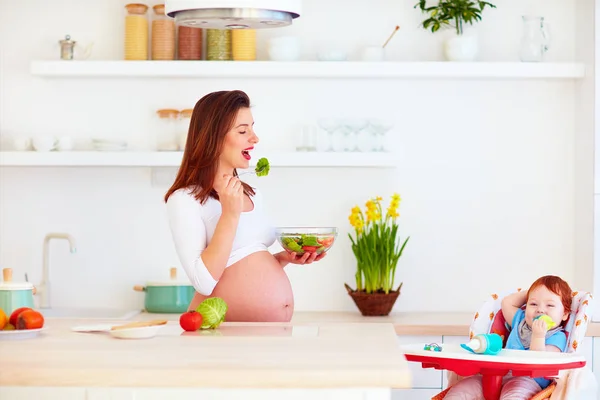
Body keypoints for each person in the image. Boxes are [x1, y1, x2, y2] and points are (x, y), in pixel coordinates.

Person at [164, 90, 326, 322]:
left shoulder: (253, 193)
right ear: (213, 137)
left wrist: (281, 259)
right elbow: (204, 282)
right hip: (221, 339)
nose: (254, 138)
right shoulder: (185, 199)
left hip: (267, 337)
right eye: (243, 130)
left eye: (252, 127)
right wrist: (229, 214)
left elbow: (244, 259)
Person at [444, 275, 572, 399]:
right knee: (463, 388)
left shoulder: (557, 337)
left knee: (513, 395)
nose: (540, 310)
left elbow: (538, 362)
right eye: (533, 304)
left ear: (565, 313)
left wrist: (538, 336)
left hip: (528, 381)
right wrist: (532, 292)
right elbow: (507, 303)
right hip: (498, 375)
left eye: (549, 305)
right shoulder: (520, 320)